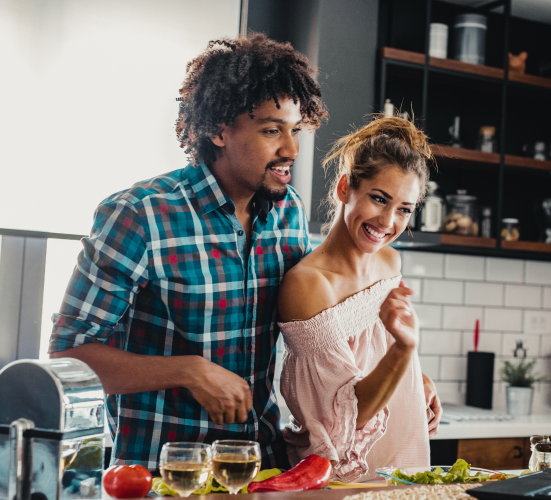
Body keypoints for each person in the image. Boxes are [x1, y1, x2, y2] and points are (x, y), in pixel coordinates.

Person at [48, 33, 327, 471]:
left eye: (295, 130)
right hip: (164, 474)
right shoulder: (140, 214)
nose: (290, 150)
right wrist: (188, 371)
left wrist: (401, 370)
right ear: (218, 130)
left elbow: (320, 322)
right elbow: (69, 357)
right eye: (272, 130)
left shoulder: (288, 212)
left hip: (262, 467)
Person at [277, 116, 443, 482]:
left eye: (403, 209)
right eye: (379, 199)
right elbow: (346, 415)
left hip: (401, 455)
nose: (387, 221)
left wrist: (418, 376)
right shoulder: (307, 286)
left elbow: (380, 347)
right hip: (340, 477)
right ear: (344, 188)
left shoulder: (389, 260)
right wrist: (404, 352)